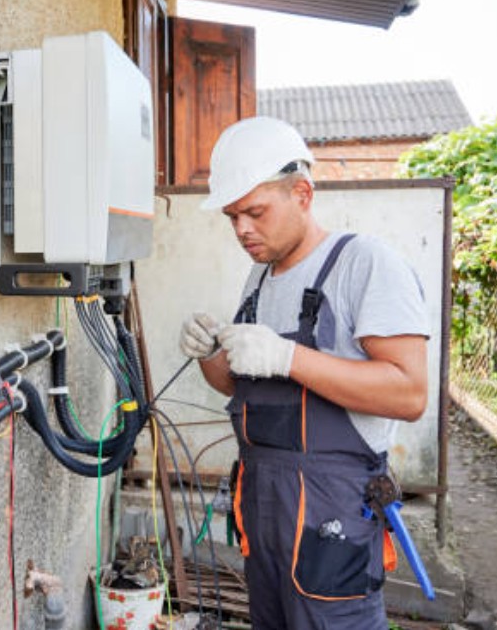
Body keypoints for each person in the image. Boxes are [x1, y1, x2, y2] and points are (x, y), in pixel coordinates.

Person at [179, 116, 429, 630]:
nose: (242, 229)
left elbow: (409, 393)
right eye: (232, 217)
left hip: (329, 520)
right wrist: (210, 355)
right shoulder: (259, 276)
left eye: (254, 212)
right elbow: (239, 388)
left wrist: (289, 358)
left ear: (302, 193)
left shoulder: (363, 264)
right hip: (265, 513)